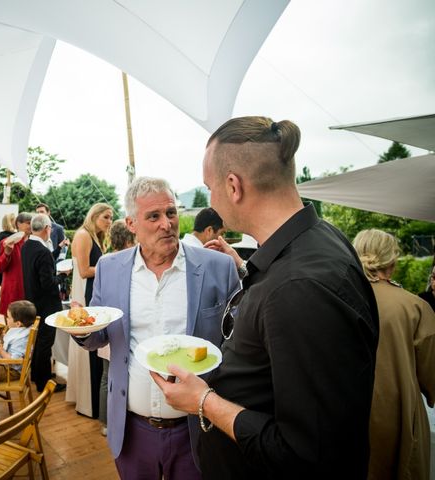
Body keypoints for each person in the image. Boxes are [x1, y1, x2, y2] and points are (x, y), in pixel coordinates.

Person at [152, 117, 379, 479]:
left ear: (233, 186)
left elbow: (309, 454)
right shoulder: (312, 243)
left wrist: (203, 401)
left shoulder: (300, 287)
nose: (210, 200)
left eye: (210, 187)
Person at [74, 176, 239, 478]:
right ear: (132, 224)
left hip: (198, 428)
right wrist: (82, 328)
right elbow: (99, 335)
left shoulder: (219, 266)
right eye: (153, 216)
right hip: (131, 430)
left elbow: (238, 339)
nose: (167, 223)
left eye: (171, 212)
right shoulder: (110, 269)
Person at [353, 229, 435, 479]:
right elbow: (431, 372)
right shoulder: (414, 306)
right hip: (400, 416)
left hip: (347, 415)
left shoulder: (335, 298)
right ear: (392, 260)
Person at [66, 203, 113, 418]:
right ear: (93, 216)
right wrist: (110, 265)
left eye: (111, 218)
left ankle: (94, 401)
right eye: (106, 217)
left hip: (91, 290)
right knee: (90, 347)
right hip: (85, 293)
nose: (109, 222)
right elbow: (84, 271)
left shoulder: (94, 236)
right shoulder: (84, 235)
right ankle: (89, 403)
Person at [21, 213, 69, 393]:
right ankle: (43, 381)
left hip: (33, 301)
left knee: (38, 341)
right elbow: (48, 283)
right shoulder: (41, 251)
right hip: (47, 304)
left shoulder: (27, 246)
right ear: (47, 228)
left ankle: (36, 375)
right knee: (45, 344)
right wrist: (62, 275)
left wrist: (55, 252)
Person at [97, 219, 136, 436]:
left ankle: (107, 421)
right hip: (114, 331)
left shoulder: (105, 259)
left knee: (107, 376)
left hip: (108, 328)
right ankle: (112, 419)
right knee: (110, 377)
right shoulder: (113, 263)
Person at [0, 213, 32, 320]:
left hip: (30, 289)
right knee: (12, 320)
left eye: (32, 223)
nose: (31, 225)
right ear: (18, 224)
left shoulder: (34, 242)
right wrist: (7, 253)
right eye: (28, 223)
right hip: (14, 288)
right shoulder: (8, 242)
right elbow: (0, 267)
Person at [0, 213, 17, 285]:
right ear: (10, 221)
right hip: (7, 268)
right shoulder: (6, 237)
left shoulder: (5, 235)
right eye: (15, 220)